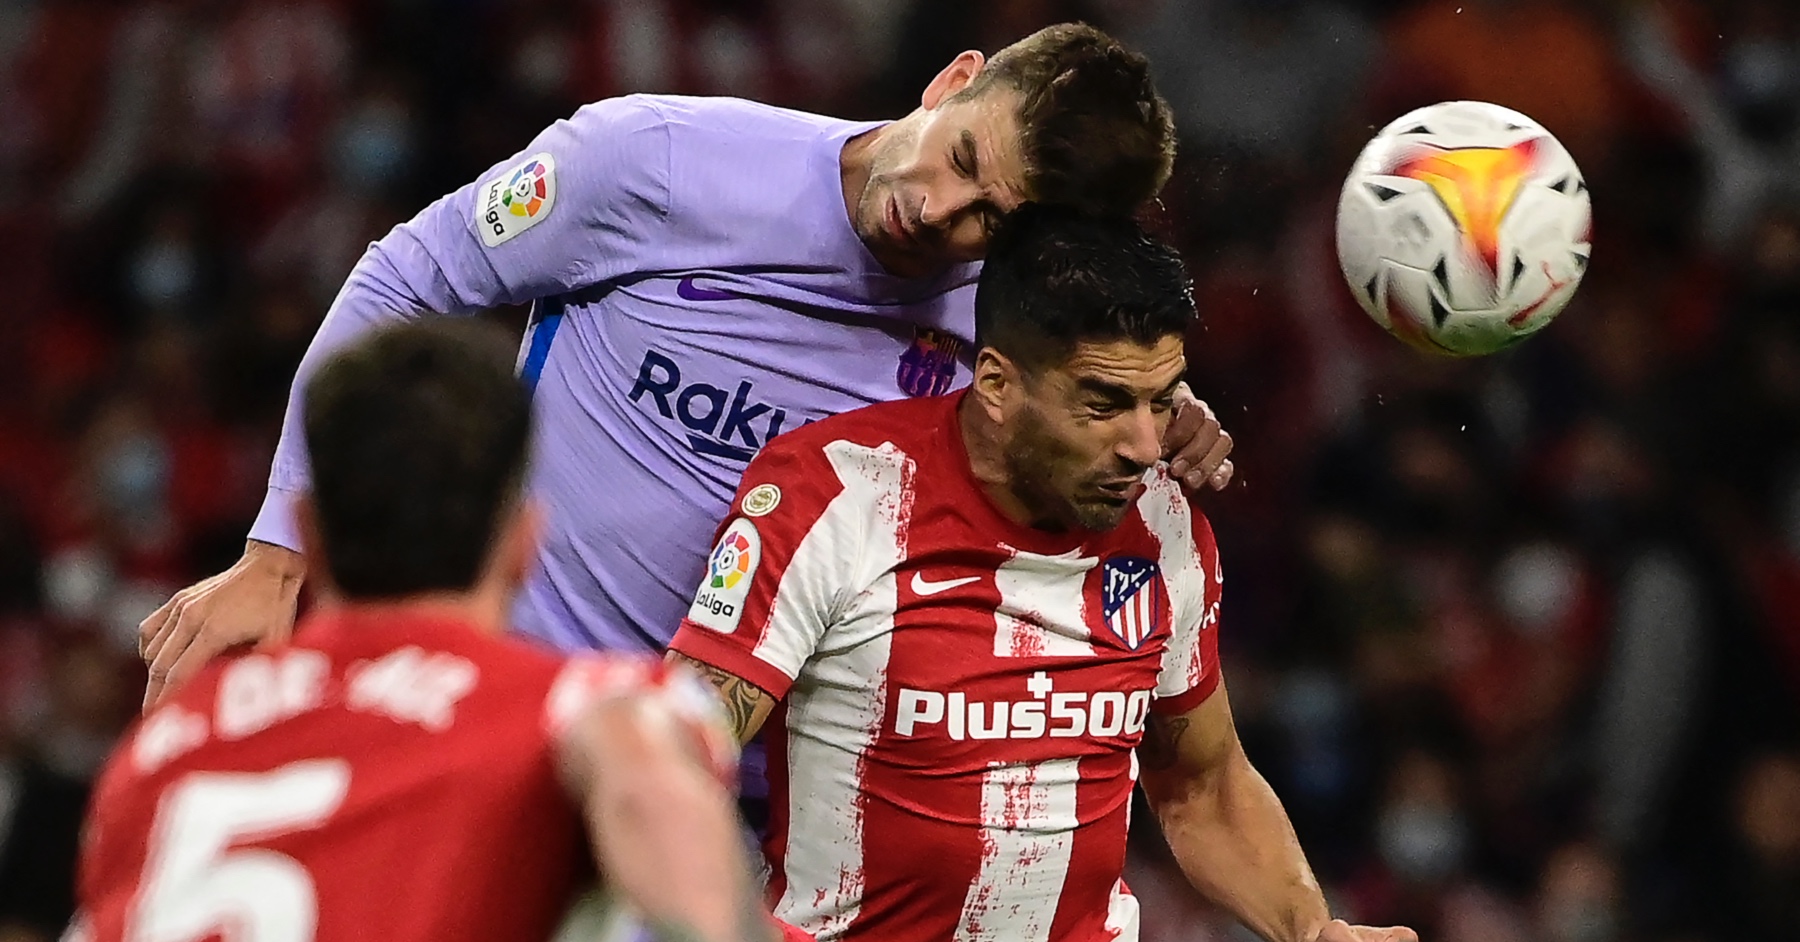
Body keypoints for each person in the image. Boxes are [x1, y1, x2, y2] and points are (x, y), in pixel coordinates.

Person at [136, 22, 1236, 706]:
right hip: (520, 725)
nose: (934, 210)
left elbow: (1075, 435)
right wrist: (279, 546)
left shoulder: (1007, 325)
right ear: (952, 82)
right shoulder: (654, 163)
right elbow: (402, 282)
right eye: (959, 160)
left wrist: (1162, 416)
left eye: (990, 218)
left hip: (764, 822)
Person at [667, 205, 1430, 942]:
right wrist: (724, 930)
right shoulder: (840, 494)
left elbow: (1201, 784)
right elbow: (669, 755)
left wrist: (1311, 934)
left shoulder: (1166, 525)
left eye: (1161, 400)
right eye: (1104, 402)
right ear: (996, 383)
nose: (1143, 445)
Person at [63, 322, 790, 942]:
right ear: (525, 539)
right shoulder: (571, 705)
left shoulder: (161, 750)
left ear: (308, 536)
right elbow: (640, 777)